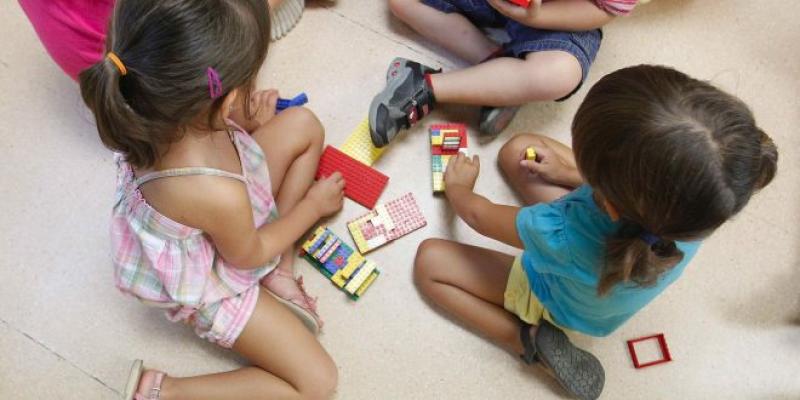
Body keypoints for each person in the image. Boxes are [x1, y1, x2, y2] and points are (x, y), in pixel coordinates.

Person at [413, 65, 778, 399]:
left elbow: (479, 216)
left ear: (612, 200)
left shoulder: (558, 233)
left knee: (430, 262)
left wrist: (460, 189)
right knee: (521, 151)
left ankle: (529, 341)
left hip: (556, 300)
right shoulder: (697, 207)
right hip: (611, 274)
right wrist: (573, 174)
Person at [79, 1, 340, 398]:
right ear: (228, 97)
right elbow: (246, 255)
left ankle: (280, 271)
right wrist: (311, 209)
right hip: (216, 270)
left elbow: (219, 142)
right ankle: (164, 391)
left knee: (304, 125)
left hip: (225, 209)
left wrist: (245, 123)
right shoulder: (213, 191)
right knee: (318, 384)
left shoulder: (155, 103)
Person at [368, 0, 638, 146]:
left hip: (557, 15)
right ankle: (497, 69)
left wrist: (534, 18)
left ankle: (425, 86)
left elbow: (600, 10)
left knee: (559, 73)